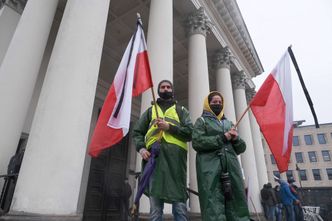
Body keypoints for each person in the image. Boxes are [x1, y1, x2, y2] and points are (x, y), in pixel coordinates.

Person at [133, 80, 193, 221]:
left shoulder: (181, 110)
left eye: (168, 87)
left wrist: (169, 127)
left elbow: (190, 132)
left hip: (176, 164)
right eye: (162, 87)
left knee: (180, 207)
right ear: (159, 90)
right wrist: (141, 149)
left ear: (172, 90)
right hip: (155, 161)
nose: (165, 89)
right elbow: (137, 132)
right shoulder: (150, 111)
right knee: (155, 209)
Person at [192, 91, 250, 221]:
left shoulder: (229, 123)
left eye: (220, 102)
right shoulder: (201, 121)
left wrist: (235, 139)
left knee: (236, 199)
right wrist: (222, 138)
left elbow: (241, 148)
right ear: (208, 104)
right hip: (210, 167)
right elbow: (197, 142)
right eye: (214, 102)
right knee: (213, 201)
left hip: (231, 166)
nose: (217, 104)